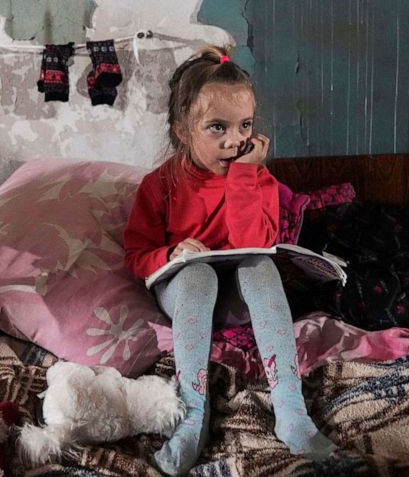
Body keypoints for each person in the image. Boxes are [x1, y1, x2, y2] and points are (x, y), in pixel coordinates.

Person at [124, 45, 336, 475]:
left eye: (244, 126)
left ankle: (291, 410)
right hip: (188, 292)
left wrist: (245, 177)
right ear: (182, 130)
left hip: (238, 296)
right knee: (198, 273)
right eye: (217, 127)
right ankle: (191, 415)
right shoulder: (159, 185)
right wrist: (172, 253)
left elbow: (254, 241)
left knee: (259, 266)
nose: (235, 140)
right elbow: (137, 254)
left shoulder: (258, 179)